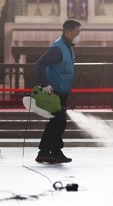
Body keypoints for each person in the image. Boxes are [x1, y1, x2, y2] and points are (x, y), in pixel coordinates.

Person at [34, 19, 82, 163]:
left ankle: (55, 151)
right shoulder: (57, 48)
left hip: (63, 92)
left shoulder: (68, 46)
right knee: (57, 121)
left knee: (59, 123)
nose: (79, 36)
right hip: (54, 93)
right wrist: (44, 84)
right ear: (68, 32)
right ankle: (43, 152)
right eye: (77, 33)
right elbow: (40, 64)